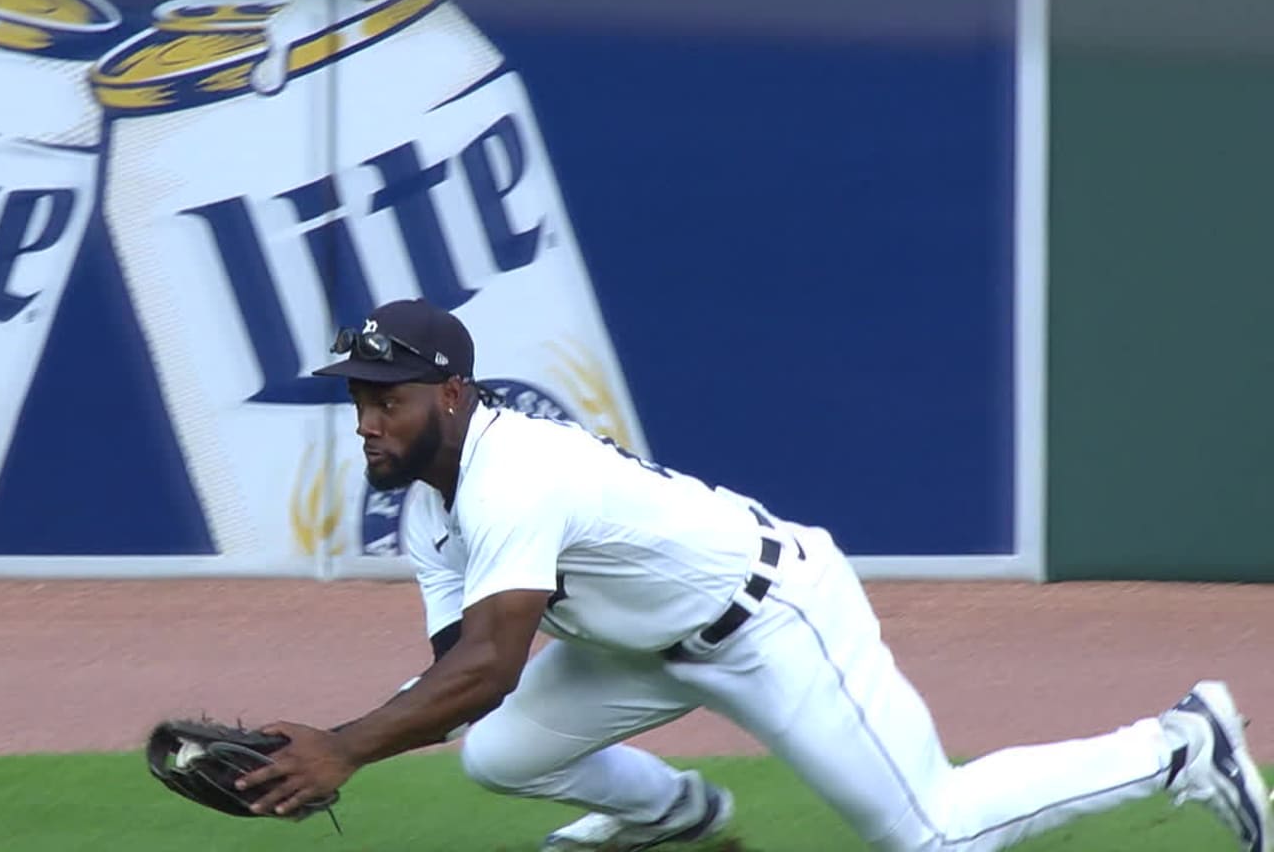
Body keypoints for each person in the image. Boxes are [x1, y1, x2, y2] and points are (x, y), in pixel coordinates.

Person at [233, 298, 1270, 852]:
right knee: (500, 755)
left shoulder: (518, 470)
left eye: (388, 399)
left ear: (450, 395)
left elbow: (493, 664)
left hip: (770, 621)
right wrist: (336, 738)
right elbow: (459, 674)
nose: (367, 421)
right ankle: (677, 819)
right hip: (636, 649)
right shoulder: (428, 504)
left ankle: (1181, 745)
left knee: (931, 833)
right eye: (359, 400)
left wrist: (348, 748)